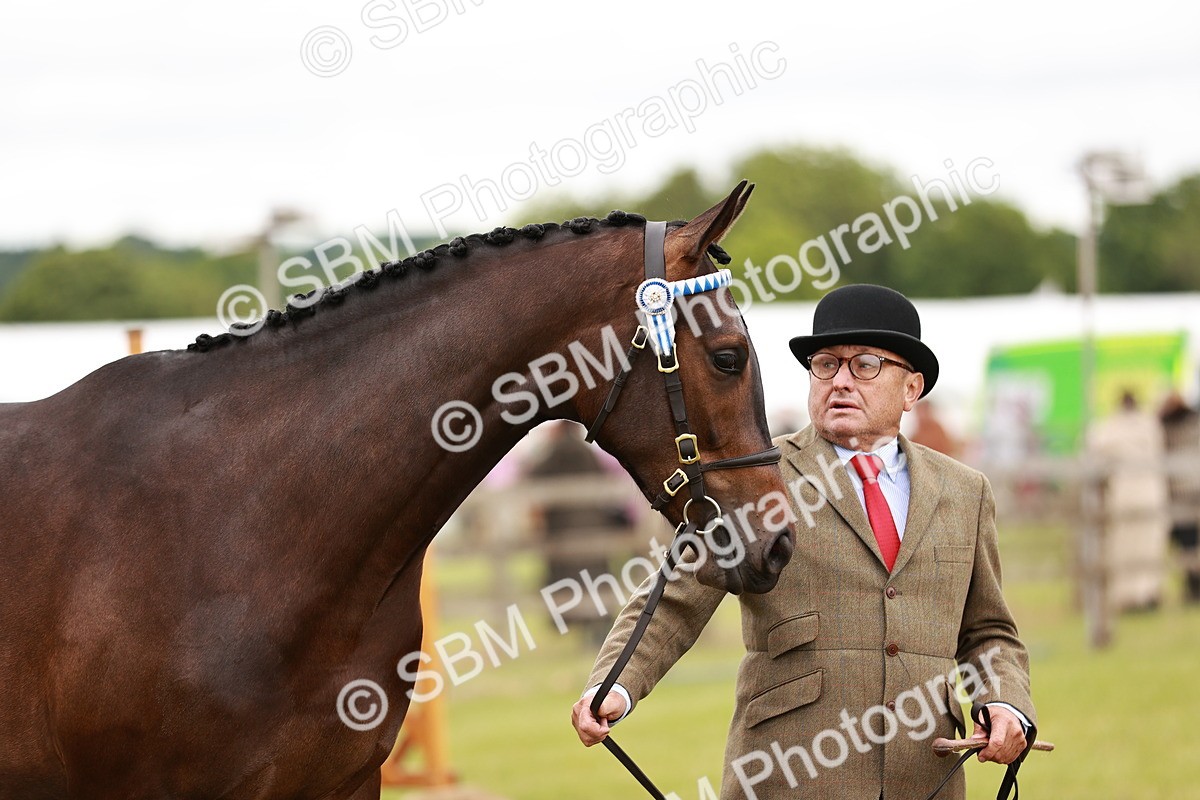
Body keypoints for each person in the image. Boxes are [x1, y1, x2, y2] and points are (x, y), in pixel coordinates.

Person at [571, 284, 1035, 799]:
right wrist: (614, 683)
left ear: (911, 388)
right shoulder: (754, 479)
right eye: (825, 364)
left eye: (864, 365)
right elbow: (677, 599)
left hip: (925, 775)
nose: (840, 381)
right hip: (788, 772)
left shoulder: (966, 491)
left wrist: (1005, 702)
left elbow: (989, 630)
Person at [1087, 390, 1170, 612]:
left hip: (1131, 493)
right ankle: (1137, 595)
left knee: (1138, 544)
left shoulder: (1109, 428)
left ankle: (1142, 595)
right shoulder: (1146, 426)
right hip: (1139, 493)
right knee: (1133, 544)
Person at [1159, 391, 1200, 604]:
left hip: (1182, 493)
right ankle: (1193, 586)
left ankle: (1193, 586)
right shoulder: (1194, 422)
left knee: (1187, 542)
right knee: (1188, 542)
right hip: (1189, 490)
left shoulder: (1167, 426)